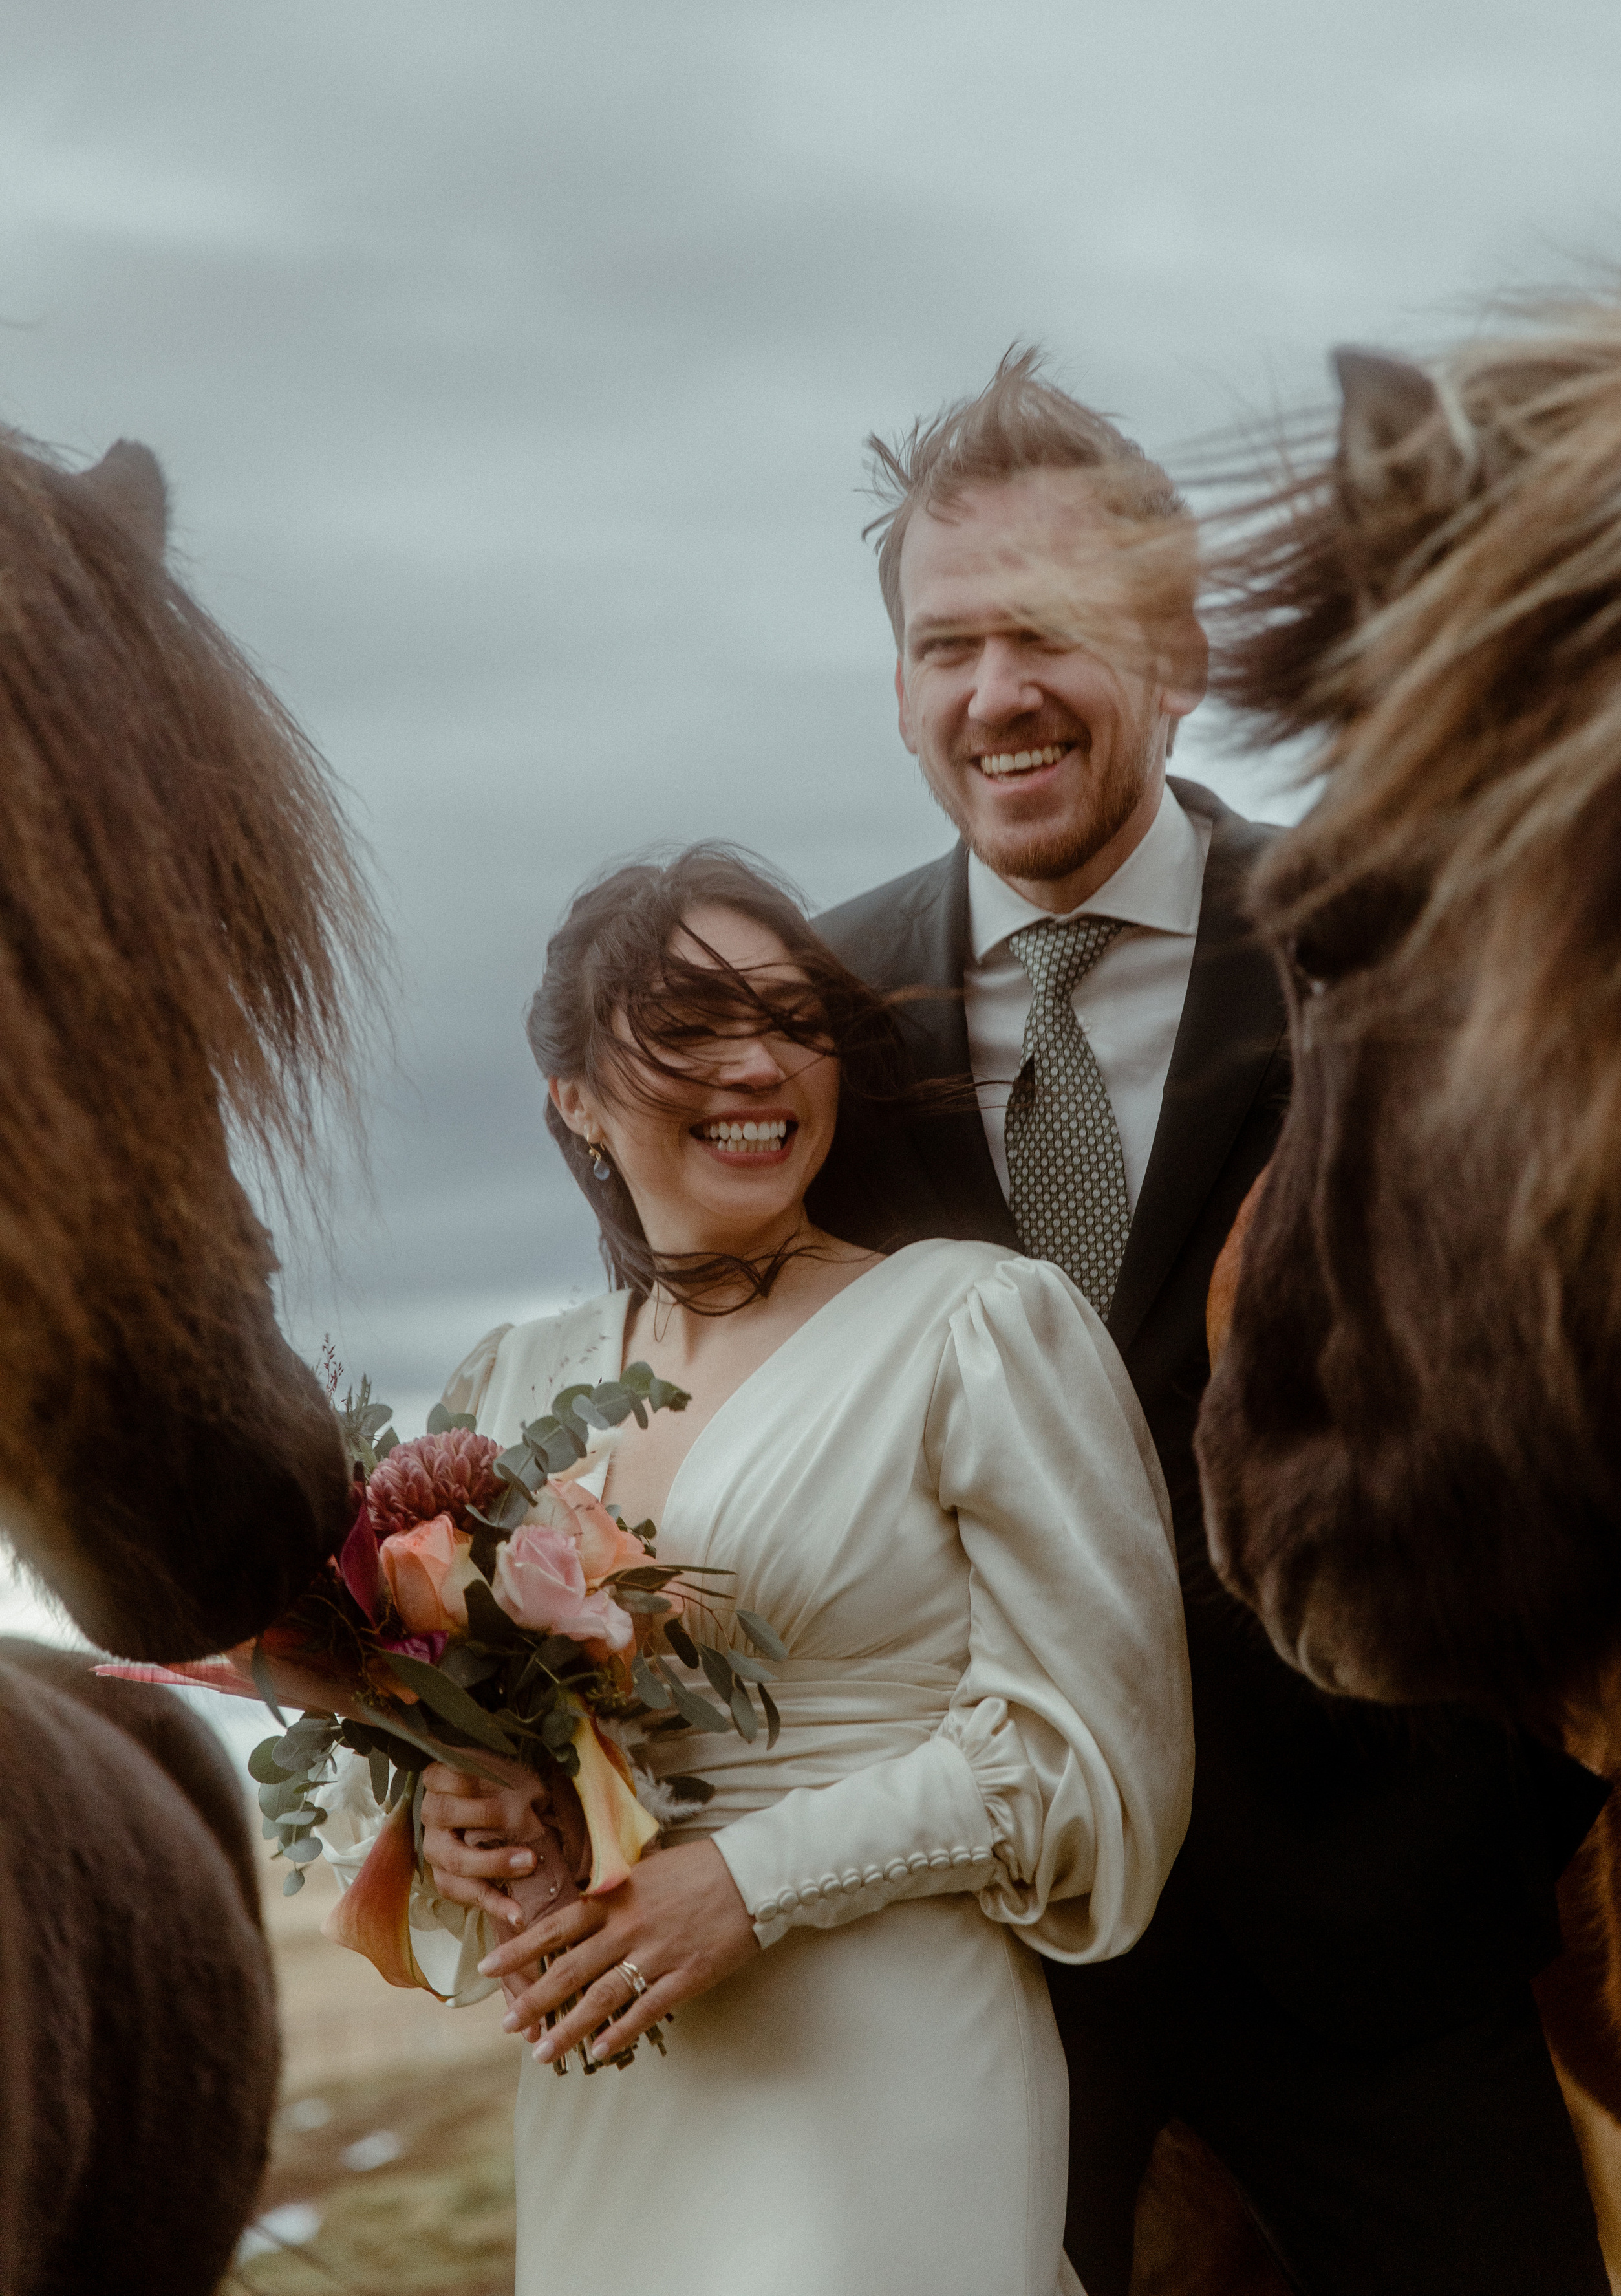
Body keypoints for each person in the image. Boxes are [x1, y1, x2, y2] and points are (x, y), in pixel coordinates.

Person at [804, 351, 1613, 2296]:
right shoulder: (819, 1021)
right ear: (899, 689)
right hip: (989, 1960)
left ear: (1176, 656)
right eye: (945, 645)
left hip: (1382, 1947)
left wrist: (1497, 1830)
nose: (995, 692)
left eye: (1049, 632)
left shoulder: (1385, 936)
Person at [392, 847, 1193, 2296]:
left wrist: (755, 1882)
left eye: (790, 1021)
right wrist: (455, 1814)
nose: (758, 1066)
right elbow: (455, 1728)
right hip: (612, 2071)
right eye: (689, 1029)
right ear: (573, 1098)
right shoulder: (506, 1390)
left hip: (890, 2048)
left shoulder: (975, 1327)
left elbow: (1088, 1754)